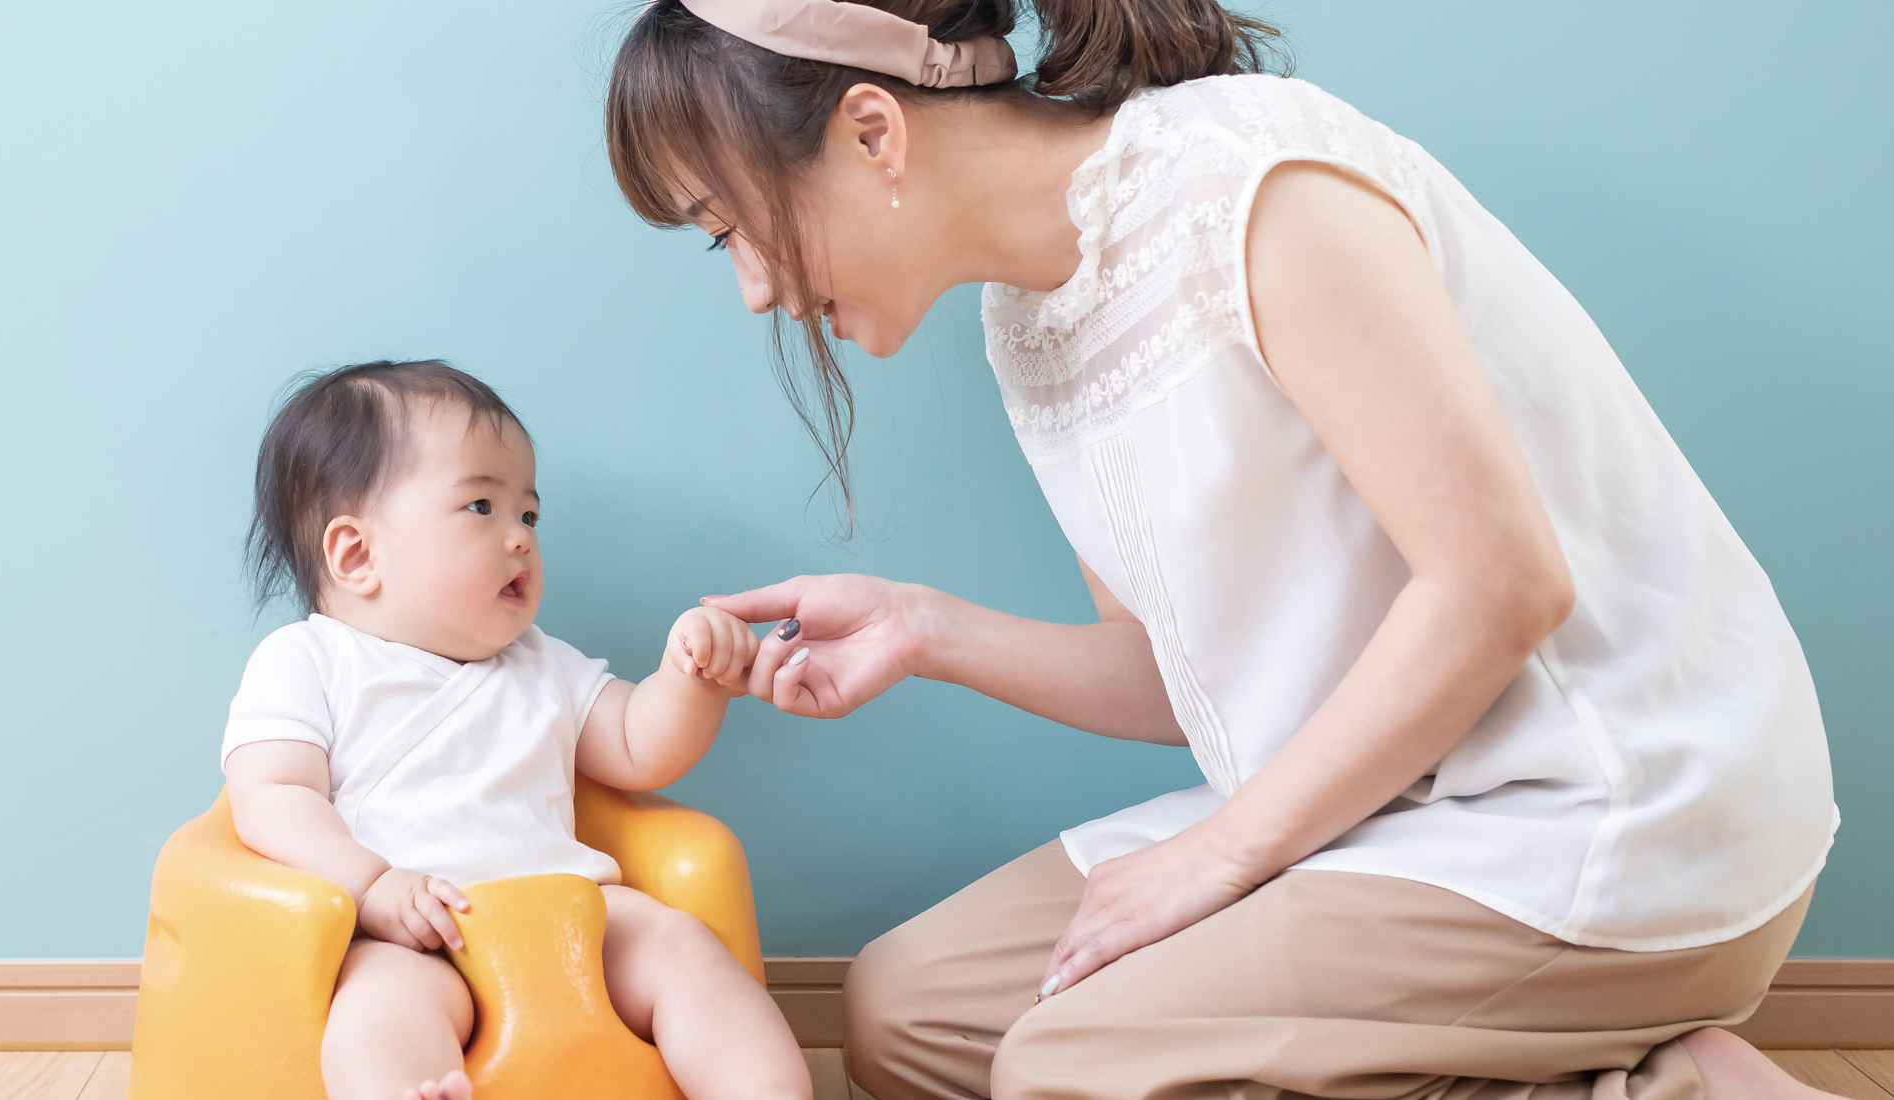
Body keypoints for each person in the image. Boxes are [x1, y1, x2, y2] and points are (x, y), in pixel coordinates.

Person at [601, 2, 1840, 1099]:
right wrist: (927, 629)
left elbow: (1499, 584)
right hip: (1381, 797)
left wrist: (1222, 852)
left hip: (1602, 797)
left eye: (729, 229)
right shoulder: (1027, 320)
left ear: (873, 131)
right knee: (906, 1012)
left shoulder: (1246, 179)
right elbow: (1178, 675)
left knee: (1061, 1065)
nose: (753, 290)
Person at [219, 360, 809, 1100]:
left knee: (684, 946)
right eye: (481, 508)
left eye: (528, 515)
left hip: (577, 917)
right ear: (357, 554)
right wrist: (373, 886)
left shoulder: (541, 662)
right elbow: (270, 794)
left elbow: (637, 746)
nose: (521, 538)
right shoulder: (309, 660)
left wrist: (691, 676)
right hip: (417, 931)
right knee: (374, 1011)